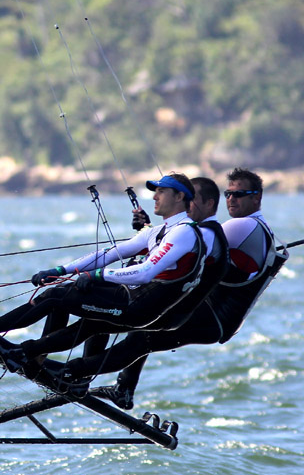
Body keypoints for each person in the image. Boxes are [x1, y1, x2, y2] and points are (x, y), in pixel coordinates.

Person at [0, 172, 213, 386]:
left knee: (58, 297)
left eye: (162, 191)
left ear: (180, 197)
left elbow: (145, 272)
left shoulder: (184, 233)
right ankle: (31, 355)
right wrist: (61, 270)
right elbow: (108, 254)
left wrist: (95, 277)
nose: (155, 196)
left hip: (139, 309)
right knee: (81, 320)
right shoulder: (159, 231)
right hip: (133, 300)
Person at [63, 167, 286, 408]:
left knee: (141, 330)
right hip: (219, 317)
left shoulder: (242, 226)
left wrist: (150, 232)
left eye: (239, 194)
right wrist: (149, 231)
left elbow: (186, 241)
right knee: (140, 328)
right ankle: (118, 387)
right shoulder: (256, 228)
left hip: (214, 314)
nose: (231, 199)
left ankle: (76, 374)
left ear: (257, 198)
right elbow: (179, 244)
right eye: (228, 193)